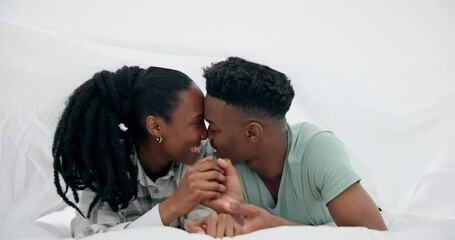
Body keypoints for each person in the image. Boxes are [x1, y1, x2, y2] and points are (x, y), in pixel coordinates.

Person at [185, 57, 387, 237]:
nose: (205, 134)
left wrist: (277, 228)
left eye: (213, 127)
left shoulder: (316, 149)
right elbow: (205, 219)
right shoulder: (217, 161)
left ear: (252, 132)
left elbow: (375, 235)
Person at [52, 66, 227, 238]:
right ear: (155, 126)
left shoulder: (205, 156)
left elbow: (208, 221)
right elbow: (91, 236)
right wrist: (173, 206)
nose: (205, 134)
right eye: (197, 123)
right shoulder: (109, 168)